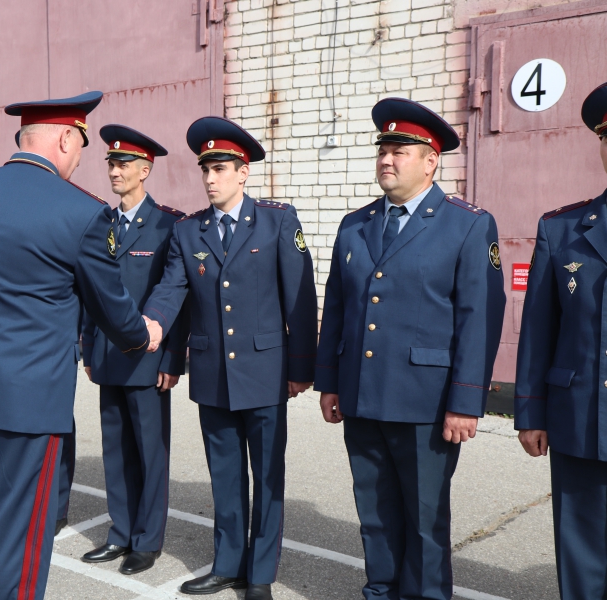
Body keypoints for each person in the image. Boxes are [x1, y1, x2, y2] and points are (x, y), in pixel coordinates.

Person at [0, 91, 160, 599]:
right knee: (19, 537)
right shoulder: (81, 211)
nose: (81, 161)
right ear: (66, 139)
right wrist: (143, 335)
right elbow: (111, 305)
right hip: (29, 405)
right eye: (82, 148)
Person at [314, 98, 506, 600]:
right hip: (360, 395)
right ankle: (381, 591)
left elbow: (479, 318)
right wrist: (329, 381)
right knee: (374, 512)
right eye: (383, 150)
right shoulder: (355, 225)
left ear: (430, 161)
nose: (386, 159)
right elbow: (337, 308)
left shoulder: (467, 224)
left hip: (427, 401)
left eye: (399, 151)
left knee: (424, 519)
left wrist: (466, 401)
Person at [142, 116, 317, 600]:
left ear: (243, 172)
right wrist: (152, 323)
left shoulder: (277, 221)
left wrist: (302, 367)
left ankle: (259, 575)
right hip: (213, 373)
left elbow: (300, 298)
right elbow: (171, 290)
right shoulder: (188, 231)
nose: (210, 178)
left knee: (267, 477)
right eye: (205, 169)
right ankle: (227, 564)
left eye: (220, 168)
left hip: (266, 372)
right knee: (224, 476)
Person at [79, 124, 189, 575]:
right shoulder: (100, 223)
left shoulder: (168, 225)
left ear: (145, 170)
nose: (114, 171)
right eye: (111, 163)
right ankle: (120, 532)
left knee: (149, 452)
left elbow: (179, 295)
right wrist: (88, 345)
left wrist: (172, 358)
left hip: (148, 358)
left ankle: (147, 540)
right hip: (107, 355)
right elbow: (90, 290)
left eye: (123, 164)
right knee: (116, 450)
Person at [514, 81, 607, 599]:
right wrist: (530, 412)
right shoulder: (564, 229)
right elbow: (538, 330)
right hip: (580, 418)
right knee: (582, 556)